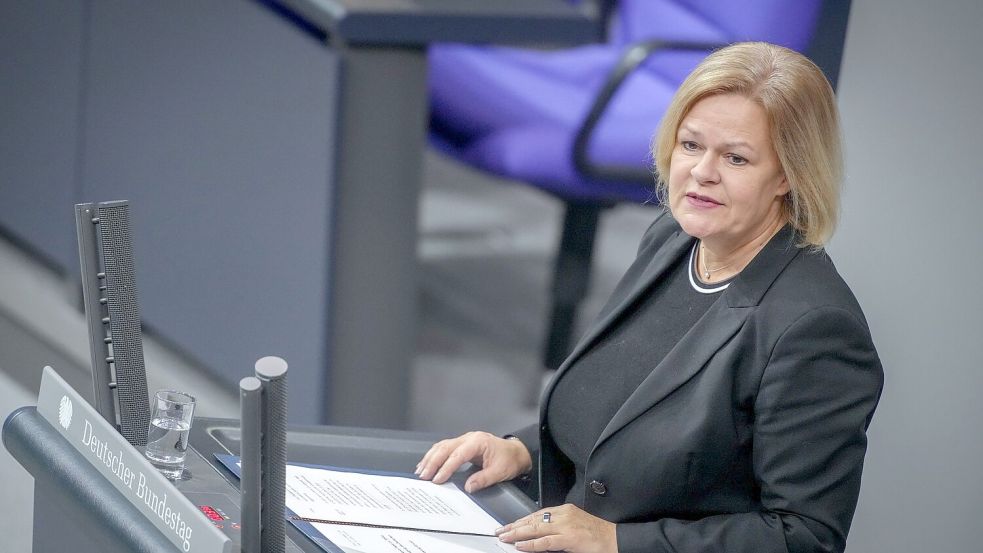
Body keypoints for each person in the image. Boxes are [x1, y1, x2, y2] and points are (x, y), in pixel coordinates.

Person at [415, 42, 883, 553]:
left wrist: (619, 542)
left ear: (788, 175)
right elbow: (620, 411)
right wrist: (521, 451)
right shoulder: (673, 240)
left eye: (736, 157)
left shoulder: (814, 329)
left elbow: (806, 537)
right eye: (690, 145)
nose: (703, 171)